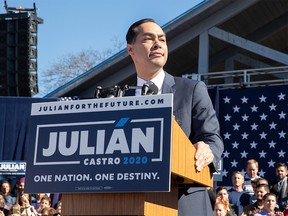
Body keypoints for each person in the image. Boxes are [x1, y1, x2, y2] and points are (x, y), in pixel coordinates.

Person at [125, 18, 223, 216]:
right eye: (148, 38)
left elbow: (213, 138)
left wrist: (207, 150)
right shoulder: (120, 99)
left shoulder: (192, 89)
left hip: (185, 202)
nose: (158, 43)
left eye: (162, 39)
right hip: (131, 203)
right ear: (131, 50)